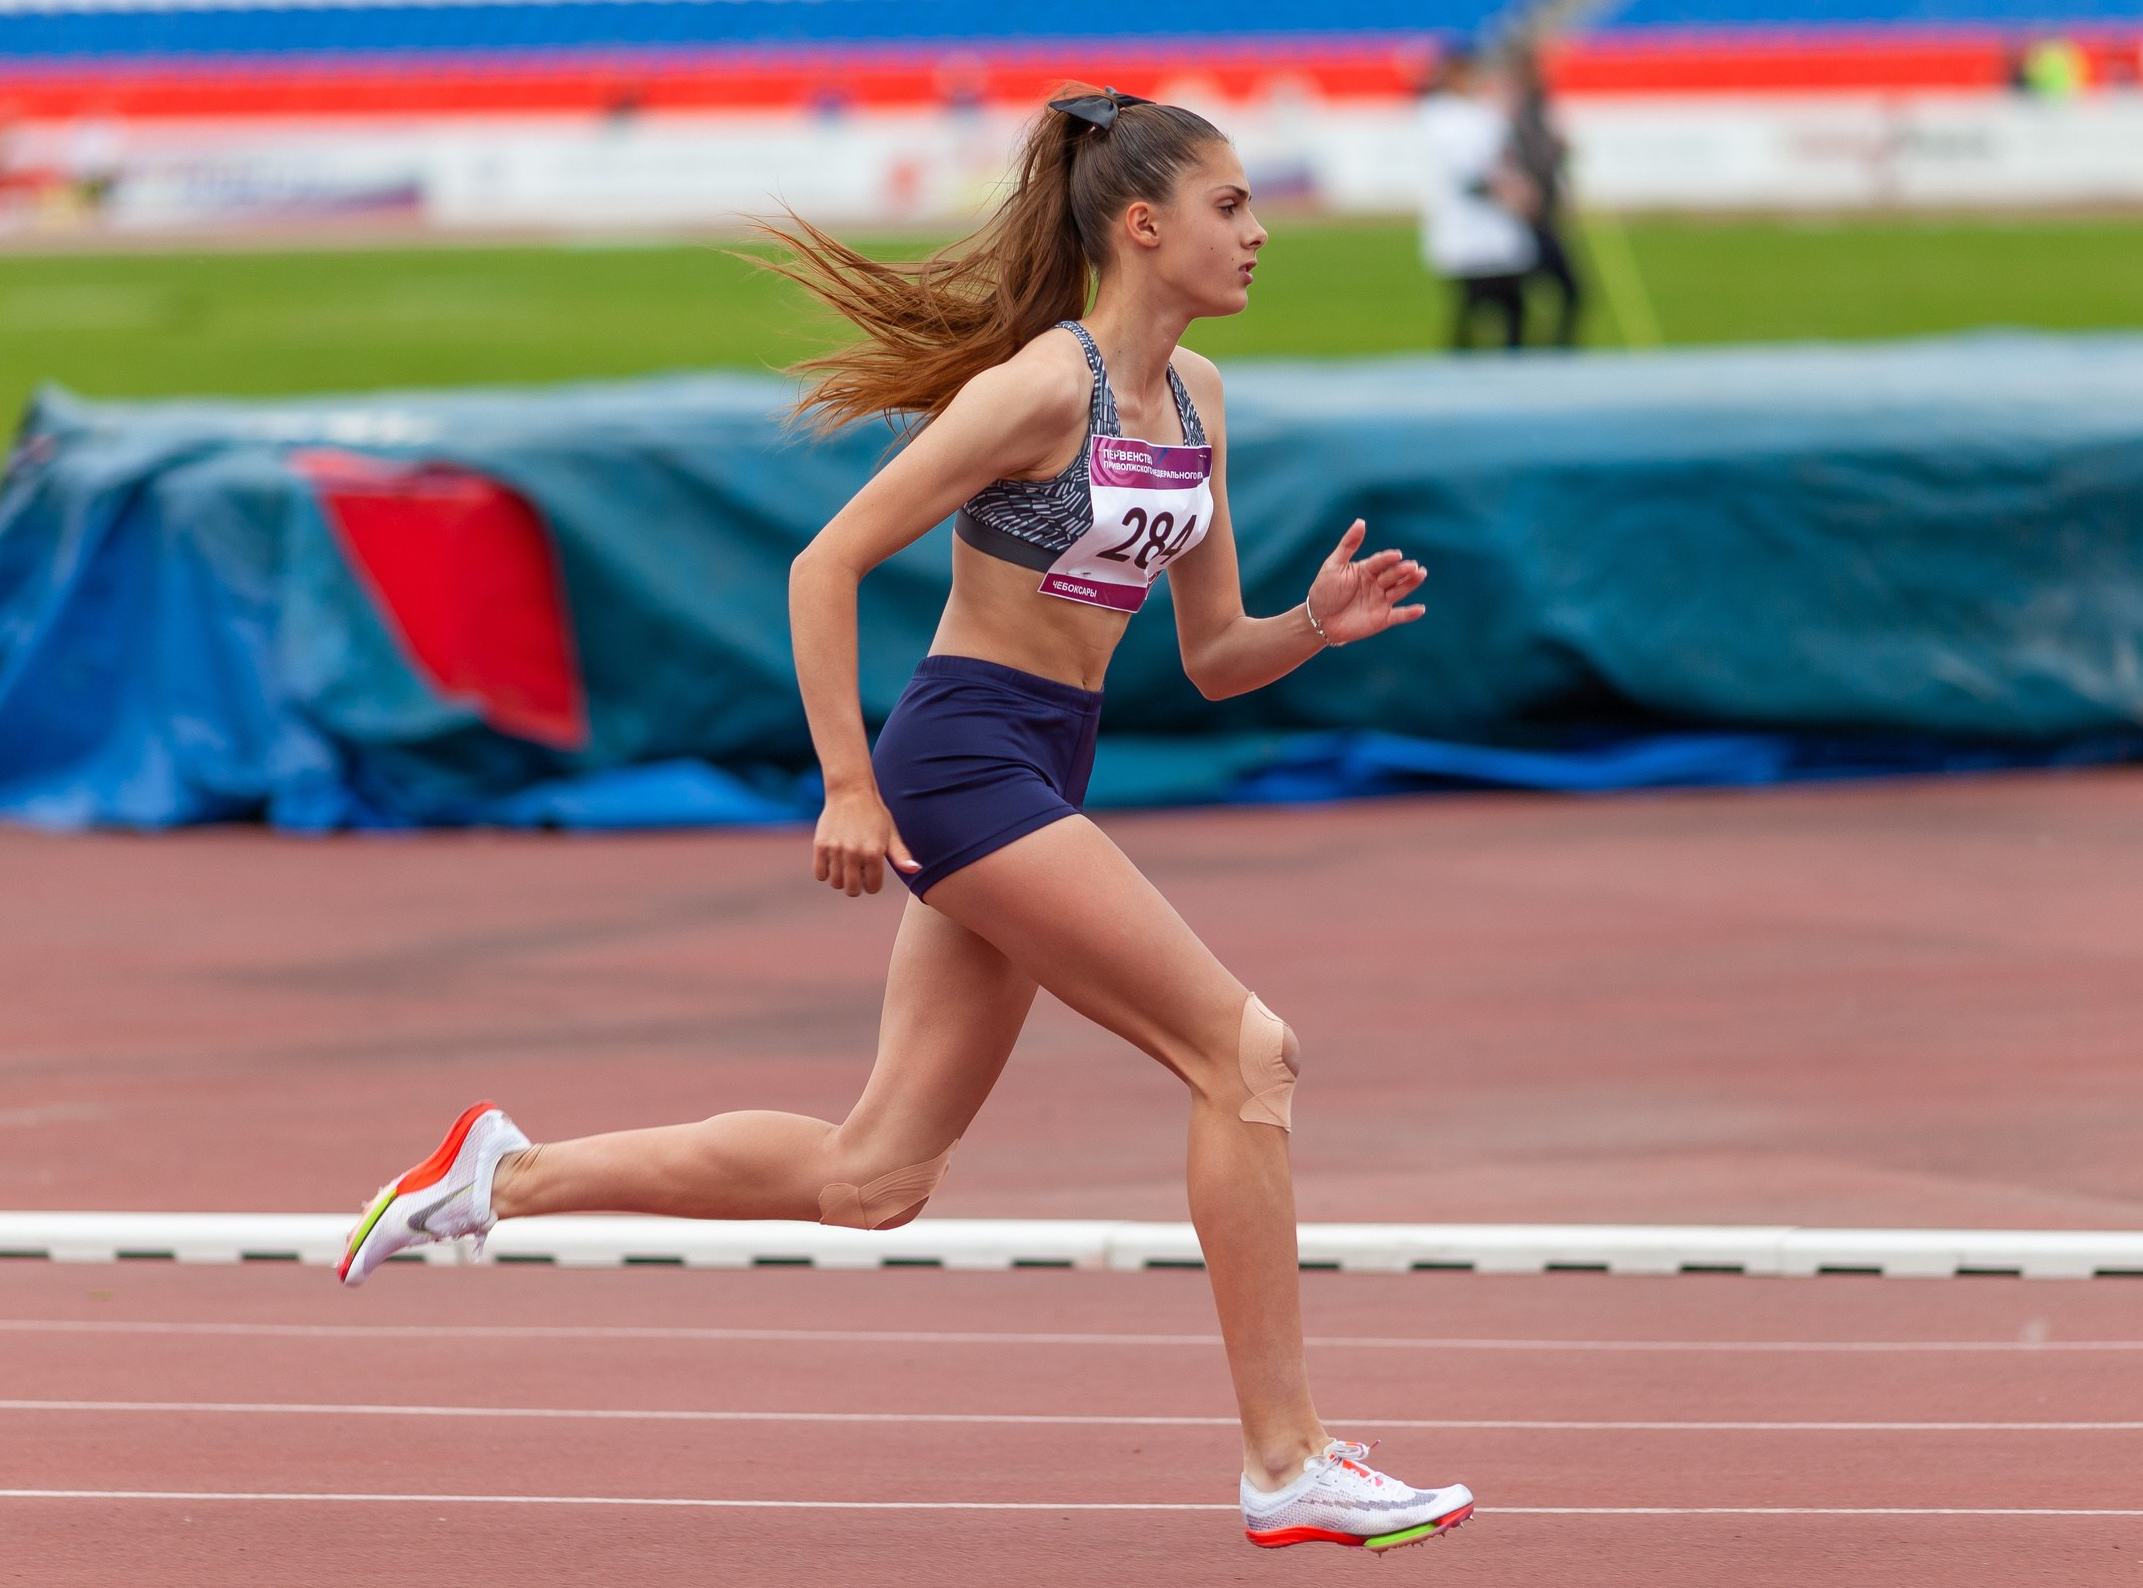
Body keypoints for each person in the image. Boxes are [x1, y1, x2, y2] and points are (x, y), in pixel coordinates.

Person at [335, 83, 1476, 1554]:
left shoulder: (1198, 401)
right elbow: (823, 564)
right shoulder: (1039, 390)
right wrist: (848, 783)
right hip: (962, 759)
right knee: (1244, 1055)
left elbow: (1211, 655)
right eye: (1231, 205)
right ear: (1142, 225)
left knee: (874, 1177)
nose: (1259, 231)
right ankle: (1287, 1456)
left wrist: (1311, 624)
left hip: (1044, 762)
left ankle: (502, 1170)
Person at [1414, 47, 1537, 351]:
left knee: (1512, 303)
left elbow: (1504, 155)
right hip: (1468, 226)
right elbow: (1465, 173)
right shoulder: (1441, 117)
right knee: (1473, 304)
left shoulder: (1481, 111)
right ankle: (1463, 364)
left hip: (1496, 226)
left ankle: (1511, 364)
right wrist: (1507, 193)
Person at [1507, 51, 1583, 348]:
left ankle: (1539, 348)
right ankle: (1551, 349)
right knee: (1567, 289)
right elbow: (1533, 159)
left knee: (1517, 293)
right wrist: (1557, 149)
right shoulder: (1522, 112)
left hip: (1540, 216)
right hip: (1532, 218)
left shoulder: (1534, 110)